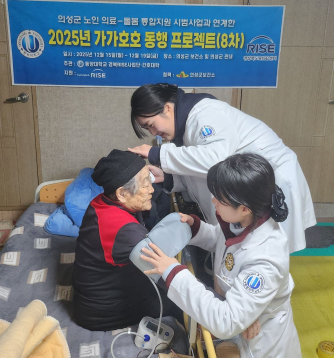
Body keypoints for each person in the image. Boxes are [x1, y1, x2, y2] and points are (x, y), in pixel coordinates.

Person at [141, 153, 303, 358]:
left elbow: (226, 321)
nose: (213, 201)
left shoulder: (266, 259)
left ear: (244, 208)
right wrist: (195, 227)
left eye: (220, 199)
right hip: (242, 324)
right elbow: (223, 242)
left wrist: (173, 273)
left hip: (263, 349)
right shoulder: (245, 221)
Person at [128, 83, 315, 254]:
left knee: (266, 251)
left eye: (151, 125)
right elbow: (201, 169)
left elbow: (215, 160)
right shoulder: (186, 128)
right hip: (247, 189)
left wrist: (156, 153)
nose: (153, 133)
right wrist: (169, 178)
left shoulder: (205, 114)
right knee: (247, 250)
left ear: (167, 108)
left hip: (271, 181)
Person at [72, 149, 180, 331]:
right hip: (103, 312)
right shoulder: (126, 232)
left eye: (149, 180)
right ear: (122, 193)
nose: (151, 189)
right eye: (145, 184)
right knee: (180, 302)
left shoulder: (101, 201)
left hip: (89, 300)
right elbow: (166, 275)